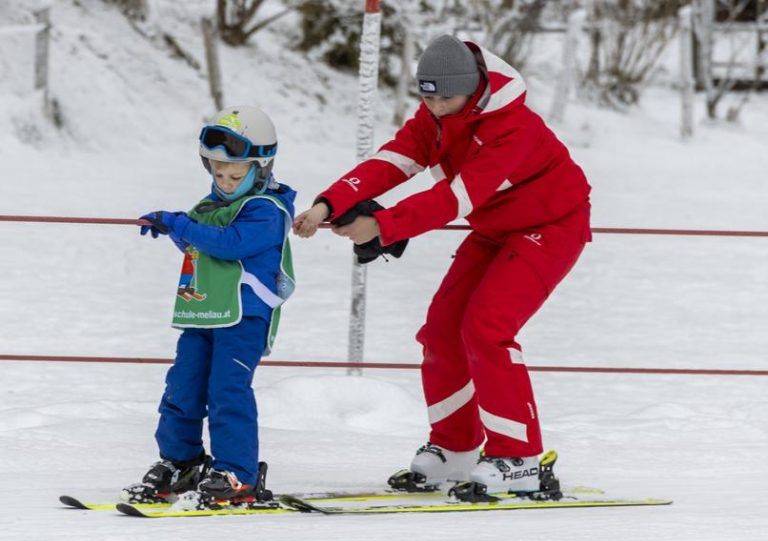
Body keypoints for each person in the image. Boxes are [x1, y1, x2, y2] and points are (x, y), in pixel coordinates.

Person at [293, 35, 591, 494]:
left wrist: (384, 226)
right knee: (440, 331)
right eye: (426, 97)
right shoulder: (439, 114)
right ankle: (454, 449)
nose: (434, 107)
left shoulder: (512, 126)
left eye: (445, 98)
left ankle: (519, 457)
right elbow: (393, 161)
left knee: (487, 326)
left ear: (472, 90)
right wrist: (329, 203)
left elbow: (455, 198)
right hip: (494, 228)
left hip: (550, 227)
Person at [123, 105, 296, 505]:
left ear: (262, 168)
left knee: (227, 391)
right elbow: (204, 243)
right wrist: (173, 230)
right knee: (183, 386)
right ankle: (181, 461)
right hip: (203, 313)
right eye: (217, 173)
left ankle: (237, 473)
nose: (225, 181)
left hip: (243, 318)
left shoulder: (266, 210)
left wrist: (182, 224)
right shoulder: (210, 206)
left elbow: (231, 244)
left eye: (236, 175)